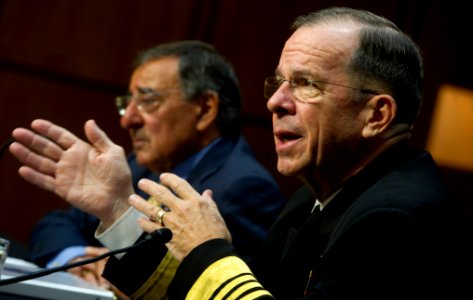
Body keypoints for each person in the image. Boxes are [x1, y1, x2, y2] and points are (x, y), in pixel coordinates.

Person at [109, 7, 472, 299]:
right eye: (279, 82)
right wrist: (113, 208)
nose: (274, 102)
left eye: (306, 84)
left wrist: (209, 250)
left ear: (376, 115)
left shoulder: (397, 220)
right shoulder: (311, 199)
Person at [11, 40, 285, 297]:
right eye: (127, 103)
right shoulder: (146, 164)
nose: (128, 119)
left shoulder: (245, 188)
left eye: (147, 100)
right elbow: (58, 223)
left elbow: (211, 292)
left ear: (204, 108)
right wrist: (77, 258)